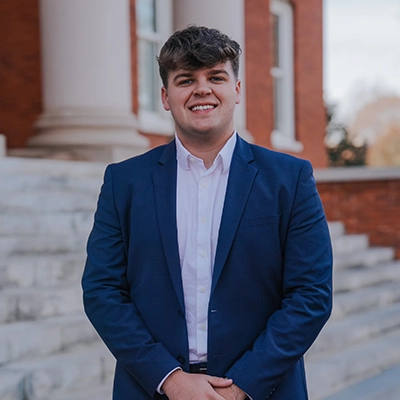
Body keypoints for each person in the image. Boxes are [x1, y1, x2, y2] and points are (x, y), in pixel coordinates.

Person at [82, 25, 332, 400]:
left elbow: (310, 294)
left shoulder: (290, 179)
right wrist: (170, 379)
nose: (202, 89)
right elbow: (102, 291)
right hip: (154, 389)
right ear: (166, 97)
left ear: (237, 89)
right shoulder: (124, 182)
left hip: (262, 390)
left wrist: (241, 386)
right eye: (186, 80)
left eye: (216, 76)